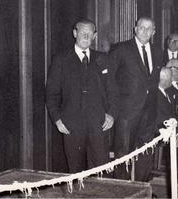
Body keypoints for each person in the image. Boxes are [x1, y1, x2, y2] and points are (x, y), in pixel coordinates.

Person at [45, 19, 117, 173]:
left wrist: (111, 114)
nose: (86, 36)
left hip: (99, 123)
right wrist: (57, 119)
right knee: (75, 170)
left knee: (101, 169)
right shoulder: (61, 59)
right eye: (82, 32)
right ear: (74, 33)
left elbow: (112, 90)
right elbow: (51, 93)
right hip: (71, 124)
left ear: (95, 35)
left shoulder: (103, 59)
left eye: (89, 33)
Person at [109, 16, 163, 181]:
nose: (145, 31)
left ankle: (142, 188)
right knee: (123, 152)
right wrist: (112, 109)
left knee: (146, 151)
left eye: (149, 28)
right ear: (135, 28)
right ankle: (123, 190)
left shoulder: (157, 51)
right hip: (126, 112)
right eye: (142, 27)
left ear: (154, 32)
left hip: (149, 110)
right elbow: (109, 80)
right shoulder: (121, 49)